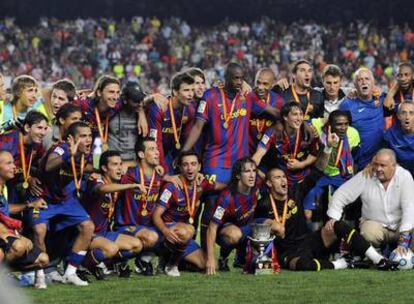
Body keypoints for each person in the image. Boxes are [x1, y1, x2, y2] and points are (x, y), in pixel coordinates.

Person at [255, 167, 398, 272]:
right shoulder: (263, 204)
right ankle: (342, 264)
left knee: (336, 225)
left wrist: (328, 147)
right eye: (277, 178)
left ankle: (379, 260)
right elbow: (256, 230)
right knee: (304, 266)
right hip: (288, 253)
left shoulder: (295, 192)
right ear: (269, 183)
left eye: (283, 177)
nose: (283, 180)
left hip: (309, 242)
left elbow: (317, 171)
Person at [33, 121, 95, 286]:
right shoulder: (61, 148)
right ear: (71, 139)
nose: (88, 140)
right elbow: (49, 165)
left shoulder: (86, 153)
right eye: (83, 136)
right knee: (39, 230)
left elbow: (89, 166)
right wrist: (70, 154)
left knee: (88, 226)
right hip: (43, 197)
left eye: (89, 136)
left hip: (65, 199)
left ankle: (71, 272)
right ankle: (39, 275)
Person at [327, 149, 414, 252]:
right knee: (368, 232)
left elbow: (409, 208)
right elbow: (341, 194)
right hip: (376, 226)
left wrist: (404, 241)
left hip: (401, 226)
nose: (378, 169)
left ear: (394, 166)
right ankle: (376, 255)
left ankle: (408, 255)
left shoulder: (404, 176)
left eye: (383, 165)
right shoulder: (366, 174)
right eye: (376, 165)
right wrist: (333, 218)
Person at [153, 151, 220, 276]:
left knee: (207, 264)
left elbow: (220, 186)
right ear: (180, 167)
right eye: (185, 165)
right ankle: (171, 265)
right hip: (166, 230)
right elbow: (156, 215)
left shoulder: (201, 182)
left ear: (199, 167)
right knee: (189, 230)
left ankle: (173, 259)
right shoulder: (171, 186)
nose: (190, 168)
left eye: (193, 164)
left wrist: (236, 182)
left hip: (184, 235)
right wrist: (165, 231)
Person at [82, 151, 143, 279]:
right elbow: (102, 189)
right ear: (104, 168)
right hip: (86, 234)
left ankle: (108, 264)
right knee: (111, 248)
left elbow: (138, 166)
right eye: (115, 164)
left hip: (103, 233)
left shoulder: (117, 186)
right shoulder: (95, 179)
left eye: (121, 164)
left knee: (137, 245)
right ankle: (82, 265)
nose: (120, 168)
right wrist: (130, 186)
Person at [0, 150, 50, 288]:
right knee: (20, 245)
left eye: (13, 162)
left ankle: (4, 273)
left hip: (6, 233)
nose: (14, 166)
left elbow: (5, 209)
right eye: (8, 163)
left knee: (43, 260)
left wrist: (30, 205)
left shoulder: (3, 186)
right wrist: (12, 234)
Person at [252, 102, 319, 204]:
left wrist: (301, 164)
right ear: (285, 117)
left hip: (303, 179)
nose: (299, 118)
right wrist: (254, 169)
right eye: (295, 114)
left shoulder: (308, 131)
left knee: (307, 214)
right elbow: (259, 154)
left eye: (301, 114)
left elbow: (315, 155)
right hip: (282, 181)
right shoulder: (273, 132)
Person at [303, 110, 360, 223]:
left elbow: (355, 159)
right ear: (330, 124)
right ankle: (312, 237)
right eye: (339, 124)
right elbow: (304, 121)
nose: (343, 127)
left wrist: (352, 180)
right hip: (321, 174)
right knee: (308, 212)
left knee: (348, 207)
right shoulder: (319, 129)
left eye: (346, 124)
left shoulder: (353, 134)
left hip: (342, 176)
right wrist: (309, 128)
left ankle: (343, 236)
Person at [205, 157, 259, 275]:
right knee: (235, 234)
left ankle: (271, 259)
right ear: (238, 176)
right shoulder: (226, 197)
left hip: (247, 227)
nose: (252, 175)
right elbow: (212, 227)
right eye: (247, 171)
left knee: (275, 227)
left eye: (254, 171)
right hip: (227, 231)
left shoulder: (256, 187)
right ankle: (223, 258)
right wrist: (210, 259)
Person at [148, 72, 196, 174]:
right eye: (186, 90)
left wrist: (181, 158)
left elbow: (186, 138)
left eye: (192, 90)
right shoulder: (159, 109)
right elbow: (156, 141)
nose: (191, 94)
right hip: (153, 153)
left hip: (171, 153)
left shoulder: (190, 110)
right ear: (175, 91)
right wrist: (161, 167)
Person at [339, 68, 385, 170]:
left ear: (373, 83)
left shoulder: (382, 99)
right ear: (355, 85)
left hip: (380, 162)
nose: (364, 82)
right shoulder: (347, 105)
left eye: (367, 79)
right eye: (360, 80)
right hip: (358, 164)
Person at [0, 110, 49, 205]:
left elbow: (35, 165)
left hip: (13, 184)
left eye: (45, 128)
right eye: (39, 128)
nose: (43, 133)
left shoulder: (37, 145)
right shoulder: (7, 142)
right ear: (27, 127)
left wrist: (30, 178)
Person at [108, 81, 147, 168]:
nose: (140, 104)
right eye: (136, 101)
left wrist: (141, 112)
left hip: (133, 163)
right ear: (125, 100)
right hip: (112, 164)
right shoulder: (109, 112)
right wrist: (96, 168)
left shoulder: (141, 111)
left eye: (141, 100)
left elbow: (154, 97)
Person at [248, 68, 284, 154]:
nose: (260, 87)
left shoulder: (279, 101)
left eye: (265, 84)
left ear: (272, 85)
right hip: (247, 153)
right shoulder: (248, 97)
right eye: (258, 83)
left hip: (268, 154)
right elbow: (280, 115)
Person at [383, 102, 414, 176]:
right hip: (399, 175)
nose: (407, 117)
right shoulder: (390, 135)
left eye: (411, 113)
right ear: (398, 116)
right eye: (403, 113)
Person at [384, 62, 414, 127]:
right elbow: (386, 107)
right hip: (399, 135)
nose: (403, 78)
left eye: (406, 75)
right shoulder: (394, 95)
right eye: (400, 75)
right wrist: (394, 89)